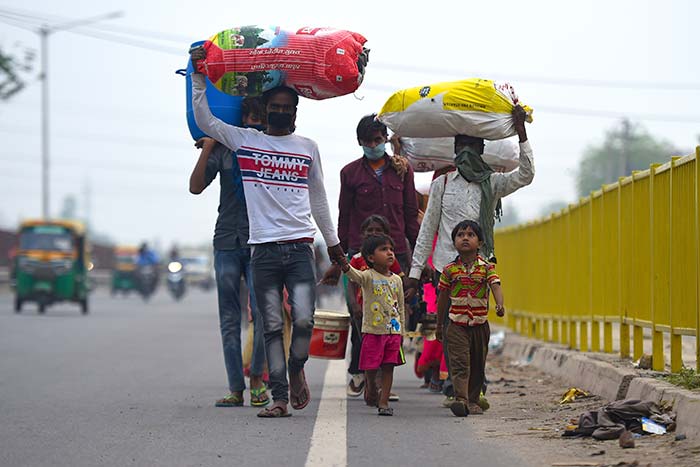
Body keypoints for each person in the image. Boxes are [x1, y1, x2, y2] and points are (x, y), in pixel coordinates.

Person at [190, 46, 346, 418]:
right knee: (271, 326)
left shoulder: (308, 148)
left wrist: (337, 250)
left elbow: (320, 201)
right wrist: (198, 76)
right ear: (266, 112)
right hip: (262, 251)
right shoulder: (246, 142)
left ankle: (295, 367)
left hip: (299, 250)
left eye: (285, 108)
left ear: (294, 113)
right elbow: (206, 121)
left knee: (305, 319)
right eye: (273, 107)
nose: (279, 112)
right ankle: (279, 396)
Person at [403, 105, 532, 406]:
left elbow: (526, 175)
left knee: (477, 333)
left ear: (482, 149)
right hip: (446, 273)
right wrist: (414, 272)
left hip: (479, 274)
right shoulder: (442, 185)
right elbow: (428, 229)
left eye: (472, 147)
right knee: (450, 331)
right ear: (455, 151)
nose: (466, 152)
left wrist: (522, 133)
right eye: (462, 147)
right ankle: (458, 389)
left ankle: (476, 386)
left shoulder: (493, 184)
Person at [188, 95, 270, 408]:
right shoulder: (223, 149)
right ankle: (236, 388)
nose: (254, 124)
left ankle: (258, 380)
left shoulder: (268, 150)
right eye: (249, 117)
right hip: (226, 241)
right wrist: (209, 146)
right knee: (229, 317)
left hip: (259, 241)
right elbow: (195, 187)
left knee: (262, 315)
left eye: (259, 119)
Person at [436, 220, 505, 417]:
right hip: (456, 324)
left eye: (470, 234)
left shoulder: (486, 268)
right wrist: (440, 324)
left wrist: (500, 304)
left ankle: (474, 399)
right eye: (460, 235)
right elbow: (442, 297)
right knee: (460, 362)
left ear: (480, 243)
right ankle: (461, 399)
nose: (465, 238)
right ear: (454, 242)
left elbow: (495, 286)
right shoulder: (449, 270)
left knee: (477, 363)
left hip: (479, 324)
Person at [337, 114, 419, 273]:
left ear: (386, 139)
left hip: (396, 250)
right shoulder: (349, 172)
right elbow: (345, 215)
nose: (373, 145)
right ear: (359, 141)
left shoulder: (402, 170)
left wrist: (418, 253)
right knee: (363, 297)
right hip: (362, 253)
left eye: (377, 140)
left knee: (399, 295)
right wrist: (340, 256)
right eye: (367, 141)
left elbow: (410, 214)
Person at [339, 233, 405, 416]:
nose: (390, 253)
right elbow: (354, 275)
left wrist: (402, 332)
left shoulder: (397, 280)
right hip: (372, 331)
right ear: (370, 257)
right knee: (370, 366)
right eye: (384, 249)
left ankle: (383, 402)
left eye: (391, 249)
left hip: (393, 331)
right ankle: (370, 386)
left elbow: (400, 306)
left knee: (388, 366)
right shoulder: (367, 276)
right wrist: (344, 265)